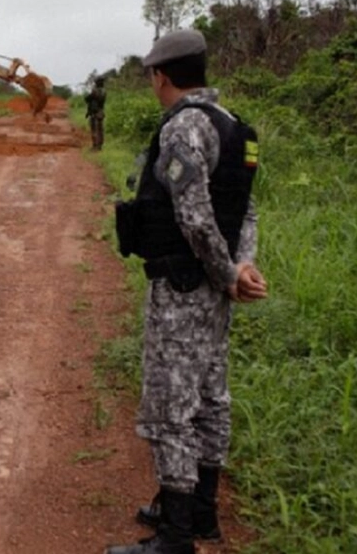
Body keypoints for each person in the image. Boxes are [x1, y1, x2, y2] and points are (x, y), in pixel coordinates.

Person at [108, 29, 268, 554]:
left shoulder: (184, 130)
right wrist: (242, 266)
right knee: (209, 398)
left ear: (161, 75)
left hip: (183, 286)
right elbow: (244, 209)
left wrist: (225, 272)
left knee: (169, 409)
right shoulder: (237, 128)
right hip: (215, 291)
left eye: (151, 75)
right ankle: (200, 513)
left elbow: (195, 217)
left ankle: (174, 537)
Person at [85, 76, 107, 151]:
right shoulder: (97, 91)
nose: (95, 83)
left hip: (98, 112)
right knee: (94, 130)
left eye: (97, 82)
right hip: (94, 112)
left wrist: (93, 95)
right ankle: (95, 145)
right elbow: (88, 100)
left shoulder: (101, 91)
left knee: (98, 130)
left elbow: (97, 99)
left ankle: (98, 146)